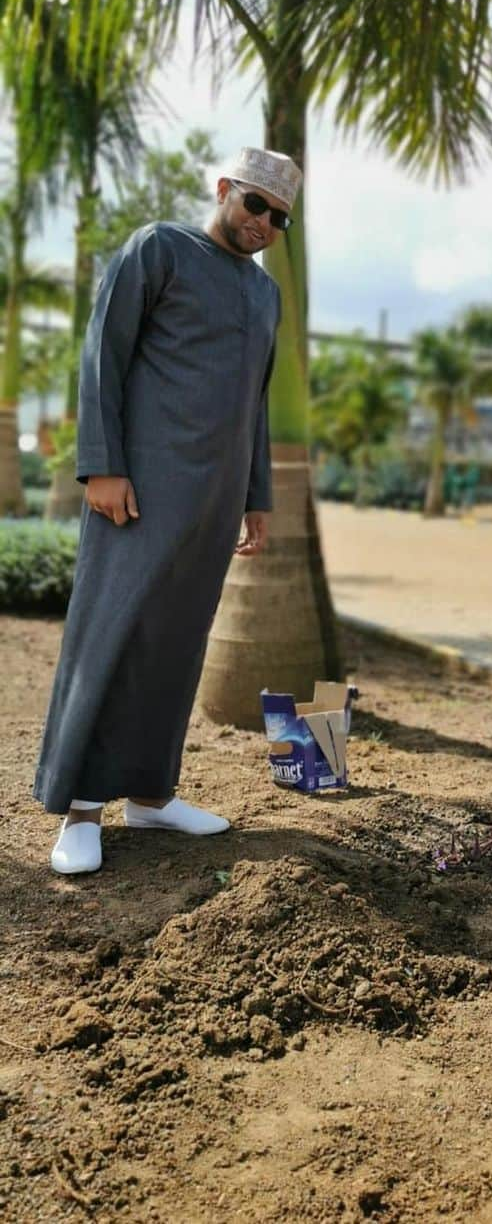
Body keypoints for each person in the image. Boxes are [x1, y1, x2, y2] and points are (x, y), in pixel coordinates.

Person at [38, 147, 301, 875]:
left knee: (178, 645)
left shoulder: (264, 296)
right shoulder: (159, 249)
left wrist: (256, 498)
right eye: (256, 204)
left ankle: (151, 796)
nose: (265, 224)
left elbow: (253, 404)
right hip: (139, 489)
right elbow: (103, 356)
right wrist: (103, 466)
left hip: (214, 501)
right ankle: (82, 808)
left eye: (279, 218)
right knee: (113, 636)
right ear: (224, 190)